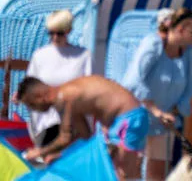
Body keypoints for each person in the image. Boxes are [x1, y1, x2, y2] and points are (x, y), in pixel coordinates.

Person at [120, 8, 192, 181]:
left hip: (164, 122)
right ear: (180, 29)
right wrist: (156, 111)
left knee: (157, 174)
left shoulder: (187, 53)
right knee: (130, 169)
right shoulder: (153, 44)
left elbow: (189, 87)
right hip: (138, 115)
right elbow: (134, 81)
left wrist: (175, 112)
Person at [17, 75, 149, 175]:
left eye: (32, 105)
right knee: (114, 170)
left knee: (122, 172)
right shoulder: (67, 98)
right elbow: (84, 136)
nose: (34, 110)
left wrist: (39, 152)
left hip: (128, 118)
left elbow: (65, 137)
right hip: (120, 122)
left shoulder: (64, 97)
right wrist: (60, 154)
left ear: (40, 96)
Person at [23, 10, 90, 147]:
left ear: (69, 31)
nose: (54, 37)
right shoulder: (40, 56)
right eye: (51, 33)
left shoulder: (83, 56)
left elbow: (92, 90)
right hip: (46, 123)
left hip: (74, 124)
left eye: (59, 33)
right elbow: (30, 86)